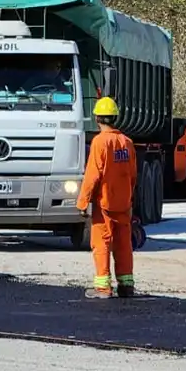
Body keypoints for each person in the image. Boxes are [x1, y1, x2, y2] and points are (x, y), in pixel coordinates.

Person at [76, 95, 136, 299]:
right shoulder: (127, 142)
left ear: (97, 118)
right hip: (123, 203)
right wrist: (129, 199)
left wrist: (83, 202)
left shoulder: (99, 142)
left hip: (104, 204)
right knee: (123, 245)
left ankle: (103, 287)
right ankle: (126, 285)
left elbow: (93, 175)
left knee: (101, 244)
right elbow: (133, 175)